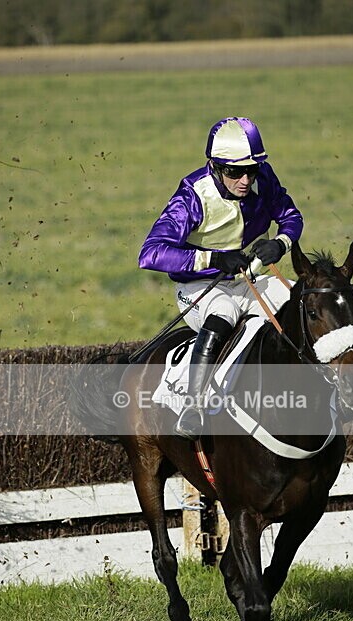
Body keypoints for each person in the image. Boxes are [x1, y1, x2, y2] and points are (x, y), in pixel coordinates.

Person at [139, 116, 304, 439]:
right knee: (224, 314)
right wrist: (212, 259)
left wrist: (280, 243)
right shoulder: (191, 196)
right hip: (200, 286)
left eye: (251, 170)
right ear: (214, 166)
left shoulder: (263, 178)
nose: (245, 180)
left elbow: (291, 216)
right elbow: (151, 253)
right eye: (234, 171)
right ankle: (193, 405)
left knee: (302, 303)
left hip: (251, 279)